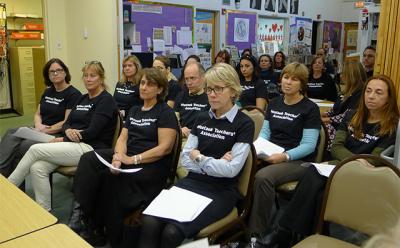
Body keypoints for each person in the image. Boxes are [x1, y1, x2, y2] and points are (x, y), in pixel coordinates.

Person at [262, 75, 400, 248]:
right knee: (317, 188)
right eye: (368, 91)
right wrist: (354, 160)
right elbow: (336, 147)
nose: (371, 96)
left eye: (378, 92)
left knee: (314, 178)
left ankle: (284, 232)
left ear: (388, 98)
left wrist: (351, 163)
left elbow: (375, 159)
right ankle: (302, 235)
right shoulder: (352, 115)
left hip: (367, 175)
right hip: (341, 166)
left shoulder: (393, 126)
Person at [137, 63, 255, 248]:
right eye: (209, 89)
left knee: (171, 232)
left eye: (219, 89)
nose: (212, 94)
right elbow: (185, 159)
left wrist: (199, 157)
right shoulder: (202, 118)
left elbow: (231, 170)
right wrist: (213, 163)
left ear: (233, 91)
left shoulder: (244, 123)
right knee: (150, 222)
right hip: (191, 182)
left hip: (221, 191)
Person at [71, 67, 178, 246]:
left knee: (110, 178)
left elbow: (164, 149)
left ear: (159, 89)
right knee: (89, 159)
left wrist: (132, 160)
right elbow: (122, 137)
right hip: (128, 154)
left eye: (150, 84)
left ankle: (107, 232)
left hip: (150, 163)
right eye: (142, 83)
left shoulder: (164, 112)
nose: (144, 87)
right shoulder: (135, 110)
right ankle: (82, 215)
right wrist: (118, 156)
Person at [7, 61, 118, 211]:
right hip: (72, 144)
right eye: (85, 75)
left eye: (93, 76)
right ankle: (44, 212)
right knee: (37, 167)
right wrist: (67, 131)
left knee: (34, 149)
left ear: (101, 78)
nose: (88, 79)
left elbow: (93, 132)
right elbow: (67, 123)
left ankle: (7, 190)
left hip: (91, 148)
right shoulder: (83, 98)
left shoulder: (106, 100)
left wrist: (64, 137)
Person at [247, 62, 321, 240]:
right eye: (286, 77)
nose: (288, 82)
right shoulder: (274, 104)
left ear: (302, 84)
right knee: (241, 166)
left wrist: (285, 156)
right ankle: (239, 219)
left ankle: (256, 233)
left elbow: (309, 145)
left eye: (294, 79)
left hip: (298, 160)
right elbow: (265, 133)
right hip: (272, 153)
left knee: (263, 177)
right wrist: (256, 150)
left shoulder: (310, 109)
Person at [0, 58, 81, 177]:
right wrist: (38, 126)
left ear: (65, 72)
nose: (55, 73)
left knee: (21, 146)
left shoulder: (73, 94)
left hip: (56, 134)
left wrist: (44, 130)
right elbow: (38, 114)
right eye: (52, 71)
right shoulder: (48, 92)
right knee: (11, 133)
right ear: (48, 75)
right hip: (40, 129)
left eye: (59, 70)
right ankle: (3, 173)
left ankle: (7, 180)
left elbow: (65, 122)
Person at [174, 62, 210, 178]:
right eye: (186, 79)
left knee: (181, 163)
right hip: (180, 138)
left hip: (200, 141)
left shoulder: (210, 97)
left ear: (203, 77)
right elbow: (173, 120)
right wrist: (179, 128)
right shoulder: (181, 96)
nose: (189, 82)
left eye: (193, 78)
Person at [321, 60, 367, 150]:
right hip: (335, 123)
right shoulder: (346, 91)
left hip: (345, 128)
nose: (341, 76)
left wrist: (326, 119)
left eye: (343, 73)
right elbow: (336, 109)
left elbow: (347, 116)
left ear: (351, 75)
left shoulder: (361, 94)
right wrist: (324, 114)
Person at [113, 55, 142, 119]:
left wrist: (124, 112)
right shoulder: (119, 83)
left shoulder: (140, 85)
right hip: (116, 117)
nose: (127, 68)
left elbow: (141, 106)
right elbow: (114, 101)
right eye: (124, 66)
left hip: (131, 118)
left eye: (130, 65)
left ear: (136, 67)